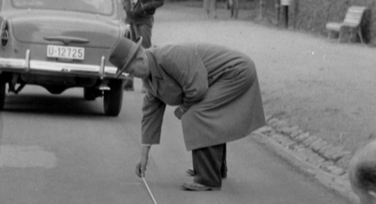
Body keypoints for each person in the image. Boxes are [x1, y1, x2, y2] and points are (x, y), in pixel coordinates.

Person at [110, 36, 266, 191]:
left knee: (197, 113)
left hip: (236, 72)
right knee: (200, 111)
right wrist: (143, 156)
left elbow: (197, 88)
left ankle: (207, 178)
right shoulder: (150, 80)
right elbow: (150, 116)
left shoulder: (168, 56)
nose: (132, 76)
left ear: (140, 59)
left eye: (130, 70)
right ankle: (213, 169)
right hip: (219, 77)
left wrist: (183, 108)